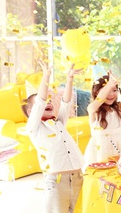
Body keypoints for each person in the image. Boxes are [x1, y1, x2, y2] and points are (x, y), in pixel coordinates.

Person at [21, 60, 83, 213]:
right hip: (56, 181)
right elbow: (40, 102)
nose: (47, 101)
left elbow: (66, 103)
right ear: (31, 112)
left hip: (77, 177)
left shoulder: (58, 122)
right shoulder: (34, 128)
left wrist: (69, 79)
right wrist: (46, 76)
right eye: (43, 102)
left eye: (50, 100)